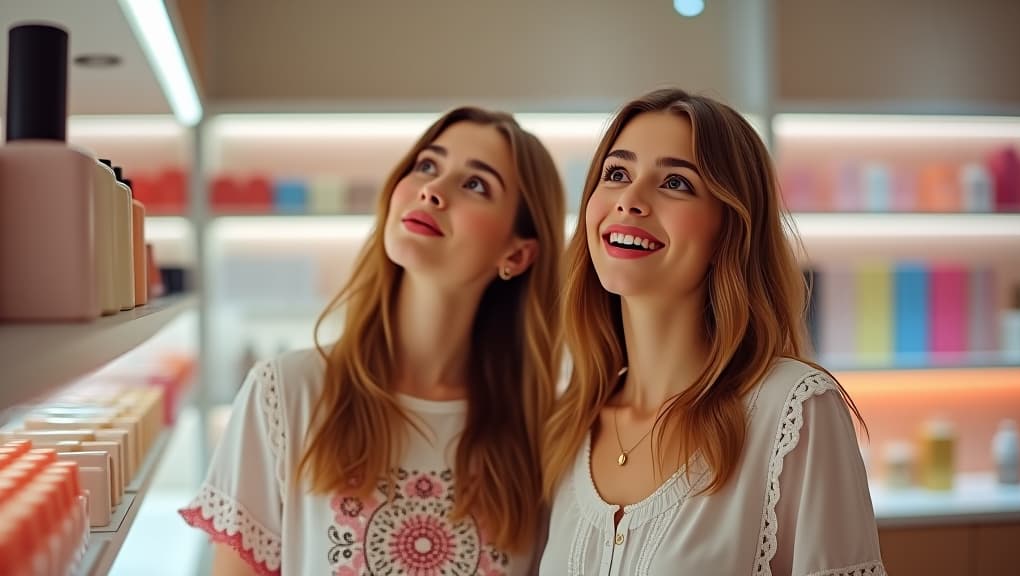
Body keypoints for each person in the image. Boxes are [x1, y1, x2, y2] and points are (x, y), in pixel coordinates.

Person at [180, 107, 566, 575]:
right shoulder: (285, 394)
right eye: (427, 166)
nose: (433, 191)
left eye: (475, 184)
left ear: (518, 253)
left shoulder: (548, 435)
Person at [540, 88, 886, 575]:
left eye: (676, 182)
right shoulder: (568, 424)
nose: (630, 201)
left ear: (730, 229)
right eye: (617, 174)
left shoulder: (794, 409)